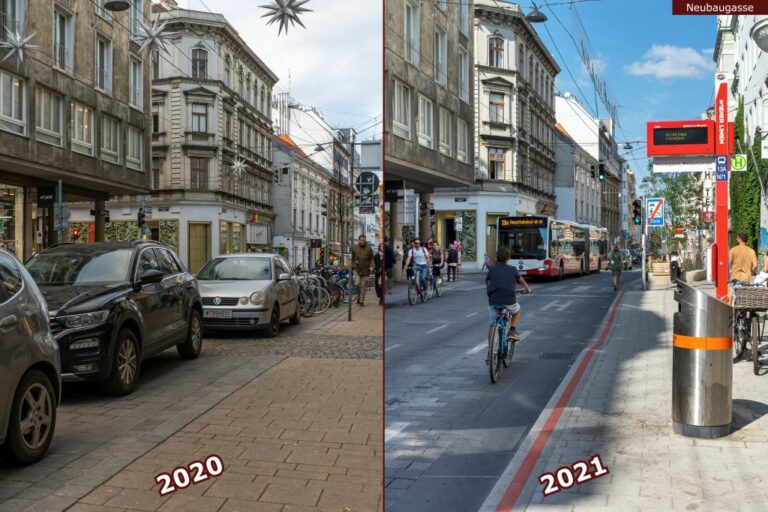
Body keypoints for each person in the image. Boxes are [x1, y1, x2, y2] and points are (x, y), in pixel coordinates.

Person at [486, 247, 531, 363]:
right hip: (509, 300)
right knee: (517, 311)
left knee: (492, 325)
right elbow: (522, 281)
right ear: (508, 258)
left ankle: (490, 352)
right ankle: (512, 330)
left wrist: (491, 290)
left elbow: (488, 283)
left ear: (497, 258)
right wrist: (527, 289)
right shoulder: (513, 269)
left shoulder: (492, 270)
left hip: (494, 301)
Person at [351, 234, 374, 306]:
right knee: (357, 284)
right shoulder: (354, 247)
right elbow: (351, 258)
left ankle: (361, 300)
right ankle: (358, 296)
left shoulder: (369, 248)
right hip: (357, 269)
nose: (363, 241)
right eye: (361, 240)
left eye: (364, 240)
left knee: (364, 285)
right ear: (359, 240)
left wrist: (372, 266)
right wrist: (353, 265)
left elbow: (372, 259)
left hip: (366, 269)